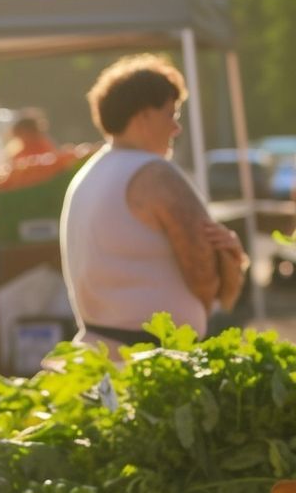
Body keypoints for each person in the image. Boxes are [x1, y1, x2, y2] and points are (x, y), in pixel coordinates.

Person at [60, 54, 246, 355]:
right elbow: (209, 281)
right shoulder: (155, 174)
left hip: (100, 352)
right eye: (171, 114)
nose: (176, 128)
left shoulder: (88, 174)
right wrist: (232, 259)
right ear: (143, 115)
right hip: (155, 363)